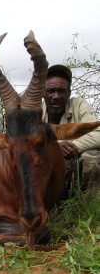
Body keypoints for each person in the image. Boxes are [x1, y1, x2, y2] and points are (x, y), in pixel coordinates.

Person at [42, 64, 100, 197]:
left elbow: (97, 132)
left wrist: (75, 146)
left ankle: (85, 210)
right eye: (51, 90)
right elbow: (22, 141)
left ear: (68, 93)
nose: (56, 96)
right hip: (45, 162)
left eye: (61, 91)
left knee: (92, 159)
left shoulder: (79, 105)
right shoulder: (34, 111)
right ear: (43, 92)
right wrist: (54, 147)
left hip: (74, 159)